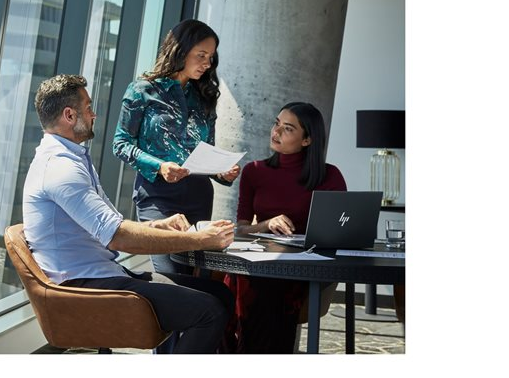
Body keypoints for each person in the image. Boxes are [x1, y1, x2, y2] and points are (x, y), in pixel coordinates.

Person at [22, 74, 235, 354]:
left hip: (102, 274)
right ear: (69, 115)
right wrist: (201, 240)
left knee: (219, 293)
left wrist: (158, 226)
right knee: (210, 311)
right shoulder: (60, 169)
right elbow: (119, 237)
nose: (94, 114)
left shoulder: (72, 159)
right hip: (86, 287)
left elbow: (113, 225)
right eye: (88, 107)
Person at [113, 19, 240, 275]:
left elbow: (207, 150)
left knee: (199, 274)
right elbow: (120, 143)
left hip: (199, 196)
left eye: (211, 57)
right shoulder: (142, 90)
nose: (207, 63)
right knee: (171, 274)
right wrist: (160, 166)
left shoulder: (204, 96)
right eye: (201, 55)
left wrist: (222, 172)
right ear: (180, 50)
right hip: (157, 195)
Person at [222, 102, 347, 353]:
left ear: (307, 140)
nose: (276, 132)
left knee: (267, 289)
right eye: (276, 123)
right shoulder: (254, 171)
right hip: (259, 265)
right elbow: (241, 230)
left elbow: (342, 229)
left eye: (288, 128)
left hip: (304, 269)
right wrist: (266, 224)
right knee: (249, 283)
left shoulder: (330, 176)